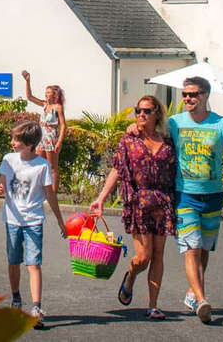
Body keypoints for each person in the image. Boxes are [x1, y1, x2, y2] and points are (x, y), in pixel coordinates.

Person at [164, 75, 223, 324]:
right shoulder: (174, 122)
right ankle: (202, 300)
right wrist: (133, 127)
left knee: (203, 249)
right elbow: (150, 129)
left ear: (205, 95)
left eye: (194, 94)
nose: (188, 99)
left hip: (213, 196)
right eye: (185, 94)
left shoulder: (220, 123)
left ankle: (193, 293)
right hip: (185, 196)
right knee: (191, 249)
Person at [89, 95, 176, 320]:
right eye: (138, 110)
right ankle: (130, 275)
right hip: (139, 203)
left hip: (163, 202)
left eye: (146, 111)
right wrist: (101, 198)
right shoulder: (129, 139)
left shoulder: (167, 140)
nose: (141, 115)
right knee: (143, 257)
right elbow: (117, 169)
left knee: (158, 255)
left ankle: (153, 305)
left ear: (157, 113)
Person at [0, 119, 68, 327]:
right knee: (13, 261)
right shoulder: (8, 160)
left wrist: (61, 222)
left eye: (16, 140)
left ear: (29, 144)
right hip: (12, 219)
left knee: (34, 263)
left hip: (34, 220)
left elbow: (49, 195)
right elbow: (2, 187)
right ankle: (16, 299)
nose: (12, 143)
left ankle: (36, 307)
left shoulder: (42, 165)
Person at [22, 70, 66, 192]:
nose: (46, 95)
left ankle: (53, 193)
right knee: (38, 163)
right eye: (46, 92)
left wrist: (59, 142)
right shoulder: (44, 105)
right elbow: (30, 97)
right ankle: (39, 190)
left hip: (51, 136)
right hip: (41, 137)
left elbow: (63, 125)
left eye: (49, 93)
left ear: (54, 95)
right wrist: (27, 81)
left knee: (52, 167)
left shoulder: (58, 107)